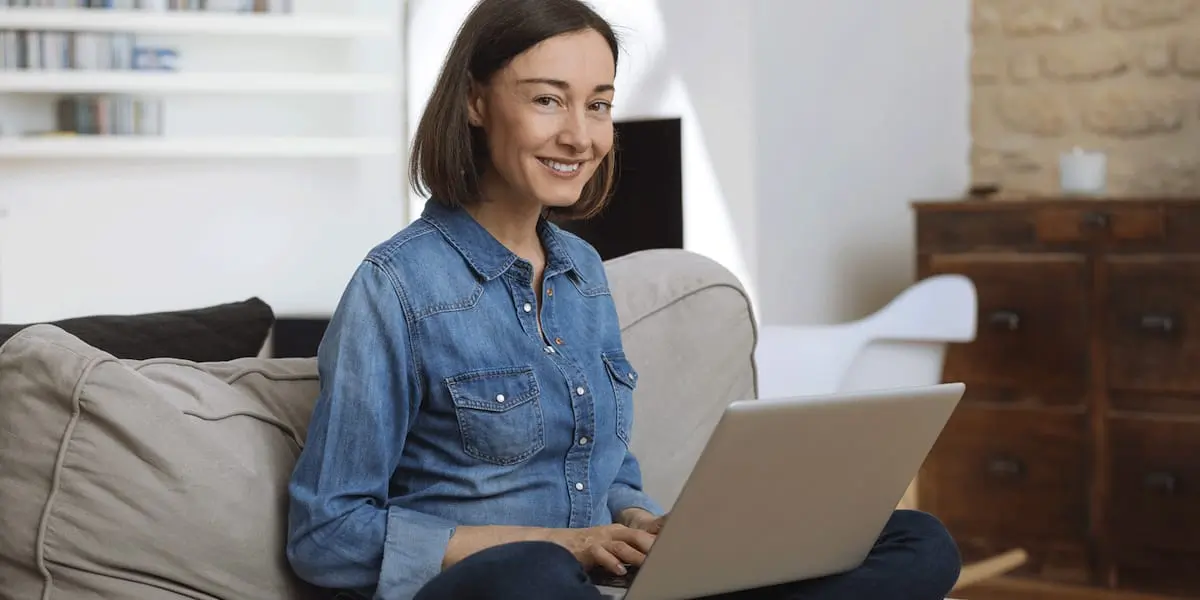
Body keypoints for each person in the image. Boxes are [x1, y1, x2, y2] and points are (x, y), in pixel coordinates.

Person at [285, 0, 962, 598]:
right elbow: (328, 536)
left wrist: (639, 520)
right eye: (547, 99)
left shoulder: (582, 273)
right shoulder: (395, 285)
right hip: (497, 588)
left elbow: (604, 470)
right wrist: (559, 545)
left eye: (599, 104)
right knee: (533, 574)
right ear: (475, 102)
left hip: (598, 585)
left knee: (916, 541)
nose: (581, 136)